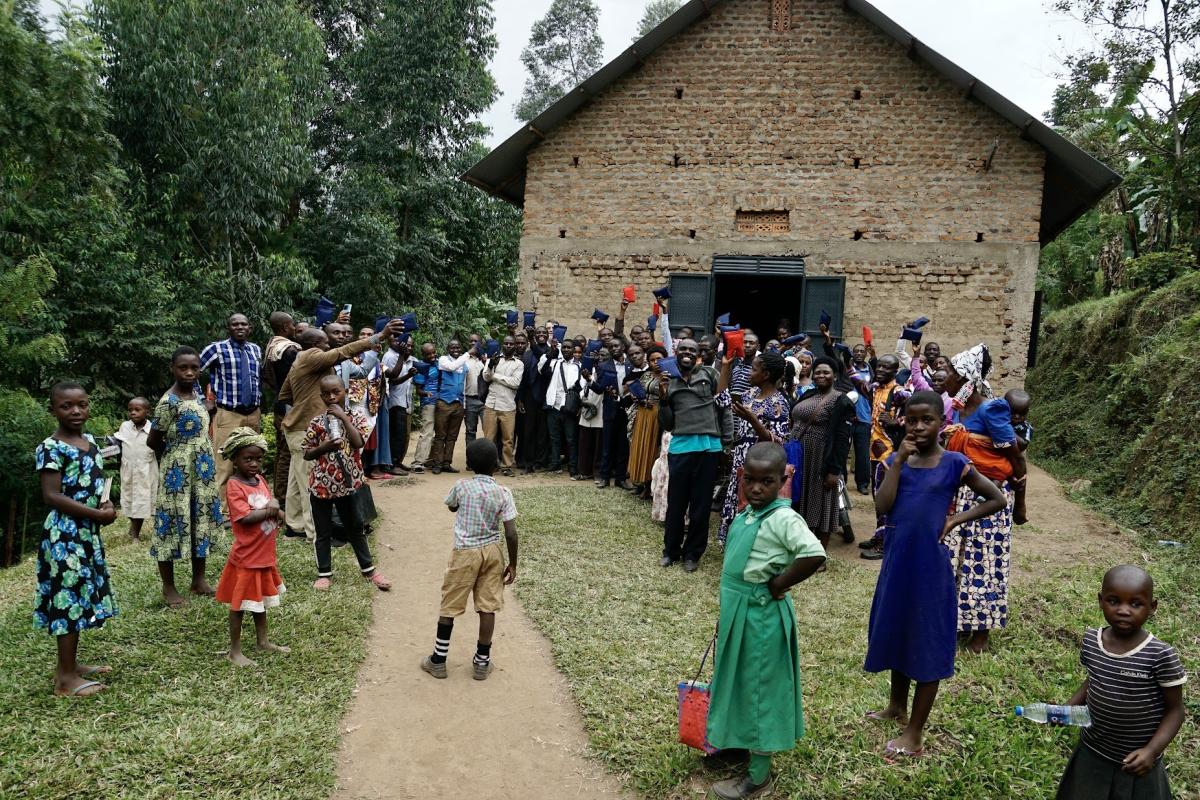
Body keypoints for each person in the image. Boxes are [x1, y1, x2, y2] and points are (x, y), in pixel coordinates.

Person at [863, 391, 1005, 759]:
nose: (919, 427)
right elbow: (882, 506)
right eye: (912, 420)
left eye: (927, 420)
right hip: (898, 562)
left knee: (926, 638)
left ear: (942, 422)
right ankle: (896, 706)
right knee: (897, 629)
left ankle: (915, 732)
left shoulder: (955, 463)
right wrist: (896, 463)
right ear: (903, 422)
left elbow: (996, 499)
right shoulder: (896, 460)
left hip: (930, 566)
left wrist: (956, 519)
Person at [706, 442, 826, 800]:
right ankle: (736, 743)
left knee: (759, 689)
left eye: (767, 482)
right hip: (738, 612)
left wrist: (779, 583)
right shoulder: (748, 514)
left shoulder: (783, 518)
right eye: (750, 480)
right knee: (737, 679)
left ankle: (758, 777)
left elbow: (814, 554)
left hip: (761, 618)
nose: (757, 488)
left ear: (782, 480)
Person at [1055, 565, 1186, 800]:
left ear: (1152, 607)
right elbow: (1093, 679)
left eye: (1135, 604)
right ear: (1100, 601)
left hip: (1137, 760)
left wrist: (1151, 751)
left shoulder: (1160, 655)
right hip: (1092, 751)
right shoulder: (1092, 641)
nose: (1123, 611)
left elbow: (1175, 710)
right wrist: (1069, 707)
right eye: (1114, 601)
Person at [277, 320, 405, 539]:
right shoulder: (311, 356)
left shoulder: (300, 362)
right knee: (309, 482)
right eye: (325, 342)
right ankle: (315, 533)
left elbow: (284, 395)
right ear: (313, 344)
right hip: (304, 429)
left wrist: (304, 403)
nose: (329, 346)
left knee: (296, 481)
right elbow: (343, 352)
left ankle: (295, 524)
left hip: (296, 428)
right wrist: (380, 336)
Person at [940, 344, 1028, 654]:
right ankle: (955, 623)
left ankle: (980, 634)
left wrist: (1021, 501)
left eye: (949, 371)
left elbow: (1016, 457)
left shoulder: (991, 409)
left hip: (988, 497)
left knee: (984, 562)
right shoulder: (957, 408)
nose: (943, 375)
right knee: (955, 560)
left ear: (965, 377)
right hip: (959, 493)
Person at [35, 383, 119, 697]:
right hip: (64, 535)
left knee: (80, 596)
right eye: (66, 406)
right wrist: (95, 516)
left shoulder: (92, 445)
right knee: (67, 600)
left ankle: (69, 665)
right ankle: (66, 680)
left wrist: (106, 506)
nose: (75, 412)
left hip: (86, 534)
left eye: (81, 405)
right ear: (53, 409)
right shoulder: (50, 447)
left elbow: (94, 487)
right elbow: (51, 495)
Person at [421, 439, 519, 681]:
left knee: (450, 603)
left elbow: (452, 507)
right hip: (493, 552)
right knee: (488, 606)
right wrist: (513, 564)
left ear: (469, 464)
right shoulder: (503, 492)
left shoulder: (462, 486)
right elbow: (511, 532)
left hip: (465, 552)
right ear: (496, 465)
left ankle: (438, 660)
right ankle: (482, 662)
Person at [147, 347, 224, 608]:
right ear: (173, 369)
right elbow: (153, 440)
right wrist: (177, 457)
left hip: (202, 470)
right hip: (177, 473)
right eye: (183, 367)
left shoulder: (197, 394)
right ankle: (169, 587)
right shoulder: (168, 402)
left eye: (194, 367)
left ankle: (198, 579)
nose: (189, 372)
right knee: (171, 521)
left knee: (198, 518)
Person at [302, 375, 392, 592]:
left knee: (355, 529)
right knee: (323, 532)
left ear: (345, 392)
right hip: (322, 485)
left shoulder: (356, 417)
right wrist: (323, 448)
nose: (332, 397)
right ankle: (324, 573)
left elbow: (358, 442)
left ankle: (369, 570)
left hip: (348, 485)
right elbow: (306, 453)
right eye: (326, 393)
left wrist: (344, 418)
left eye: (336, 392)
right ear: (321, 396)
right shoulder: (316, 422)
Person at [214, 428, 289, 668]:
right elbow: (244, 517)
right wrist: (272, 509)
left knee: (260, 601)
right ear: (235, 459)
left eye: (258, 458)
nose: (254, 463)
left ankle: (262, 641)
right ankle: (234, 651)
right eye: (248, 459)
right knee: (239, 605)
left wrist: (277, 510)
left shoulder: (260, 481)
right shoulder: (235, 486)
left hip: (265, 555)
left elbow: (271, 501)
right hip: (247, 556)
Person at [659, 338, 732, 572]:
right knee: (676, 505)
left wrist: (727, 443)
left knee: (700, 507)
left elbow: (724, 404)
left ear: (698, 354)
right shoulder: (668, 381)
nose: (688, 353)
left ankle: (692, 554)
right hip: (680, 449)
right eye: (684, 350)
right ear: (676, 353)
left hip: (708, 449)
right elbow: (668, 424)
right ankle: (671, 551)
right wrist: (663, 398)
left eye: (693, 350)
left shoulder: (709, 375)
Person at [717, 352, 791, 545]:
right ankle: (734, 542)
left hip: (760, 462)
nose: (750, 373)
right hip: (741, 457)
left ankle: (753, 545)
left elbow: (777, 440)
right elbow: (722, 401)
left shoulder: (779, 402)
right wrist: (725, 367)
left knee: (753, 501)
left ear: (765, 374)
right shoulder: (749, 394)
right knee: (737, 499)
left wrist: (752, 420)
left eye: (754, 369)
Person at [789, 357, 855, 550]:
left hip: (820, 457)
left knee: (822, 503)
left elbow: (843, 440)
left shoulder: (840, 401)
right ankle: (799, 548)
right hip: (800, 455)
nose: (821, 375)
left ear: (834, 376)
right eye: (817, 372)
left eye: (826, 372)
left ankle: (819, 553)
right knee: (800, 500)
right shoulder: (808, 394)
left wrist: (834, 470)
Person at [199, 313, 263, 489]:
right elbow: (191, 370)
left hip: (253, 414)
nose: (240, 327)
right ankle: (223, 512)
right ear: (229, 328)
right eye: (235, 324)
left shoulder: (255, 350)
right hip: (228, 414)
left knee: (252, 462)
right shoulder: (216, 349)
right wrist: (202, 399)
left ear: (249, 328)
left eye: (244, 324)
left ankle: (249, 505)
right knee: (224, 462)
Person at [262, 311, 300, 509]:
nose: (295, 329)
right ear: (286, 327)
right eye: (293, 325)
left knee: (281, 452)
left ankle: (280, 494)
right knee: (287, 453)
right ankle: (284, 499)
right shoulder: (289, 351)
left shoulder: (272, 346)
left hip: (279, 405)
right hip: (289, 407)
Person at [113, 396, 157, 541]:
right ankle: (133, 529)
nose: (133, 413)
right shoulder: (125, 426)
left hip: (146, 469)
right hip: (128, 469)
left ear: (147, 412)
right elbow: (120, 443)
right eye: (130, 410)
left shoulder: (153, 429)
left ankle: (135, 535)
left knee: (142, 500)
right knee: (130, 498)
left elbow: (160, 447)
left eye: (137, 410)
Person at [628, 345, 668, 497]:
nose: (655, 362)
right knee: (641, 446)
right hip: (643, 413)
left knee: (654, 448)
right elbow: (639, 391)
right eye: (652, 360)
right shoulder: (646, 375)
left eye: (659, 359)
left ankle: (651, 485)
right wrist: (636, 397)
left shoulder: (670, 376)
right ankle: (641, 482)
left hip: (659, 415)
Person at [482, 335, 524, 477]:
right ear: (502, 345)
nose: (508, 346)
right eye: (505, 343)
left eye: (511, 344)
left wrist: (496, 376)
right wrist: (491, 366)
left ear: (514, 346)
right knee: (489, 438)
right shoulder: (492, 360)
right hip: (491, 404)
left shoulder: (519, 364)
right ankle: (489, 465)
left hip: (508, 406)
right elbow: (486, 377)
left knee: (508, 439)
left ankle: (507, 466)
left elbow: (515, 383)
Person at [428, 339, 472, 474]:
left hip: (458, 404)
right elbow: (452, 367)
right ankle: (437, 463)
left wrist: (463, 406)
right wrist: (468, 353)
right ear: (448, 349)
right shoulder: (443, 360)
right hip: (444, 402)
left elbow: (464, 384)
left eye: (458, 347)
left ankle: (447, 462)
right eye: (452, 348)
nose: (455, 350)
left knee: (452, 436)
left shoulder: (465, 364)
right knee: (440, 435)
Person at [593, 338, 632, 489]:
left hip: (627, 409)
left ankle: (621, 478)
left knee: (623, 446)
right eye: (611, 347)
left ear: (623, 347)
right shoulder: (603, 366)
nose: (614, 348)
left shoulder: (631, 365)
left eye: (616, 346)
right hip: (610, 409)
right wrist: (590, 381)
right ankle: (604, 477)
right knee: (607, 445)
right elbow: (599, 389)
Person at [541, 335, 581, 475]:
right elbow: (541, 369)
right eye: (564, 347)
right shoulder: (555, 363)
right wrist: (550, 353)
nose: (566, 350)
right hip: (553, 405)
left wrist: (579, 406)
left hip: (569, 407)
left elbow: (581, 387)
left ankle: (573, 466)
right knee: (554, 437)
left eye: (569, 347)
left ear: (574, 350)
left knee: (571, 439)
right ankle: (555, 463)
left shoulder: (579, 366)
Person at [382, 335, 419, 475]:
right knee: (396, 434)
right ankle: (391, 464)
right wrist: (408, 375)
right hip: (394, 400)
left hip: (402, 400)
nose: (406, 347)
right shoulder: (391, 356)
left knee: (400, 434)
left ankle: (396, 462)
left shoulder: (400, 356)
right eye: (396, 341)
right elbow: (393, 379)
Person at [574, 347, 606, 482]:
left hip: (600, 409)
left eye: (602, 355)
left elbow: (600, 389)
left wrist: (589, 380)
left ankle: (597, 473)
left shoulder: (606, 371)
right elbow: (580, 387)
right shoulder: (586, 370)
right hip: (586, 408)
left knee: (599, 444)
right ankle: (584, 471)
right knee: (584, 442)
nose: (598, 357)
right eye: (594, 355)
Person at [409, 342, 439, 474]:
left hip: (441, 402)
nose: (432, 355)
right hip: (428, 403)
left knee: (439, 432)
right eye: (428, 354)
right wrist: (426, 393)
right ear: (423, 355)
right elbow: (418, 390)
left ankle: (431, 459)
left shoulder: (439, 363)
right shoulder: (421, 367)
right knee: (427, 432)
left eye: (433, 352)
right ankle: (417, 463)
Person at [463, 336, 487, 445]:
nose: (473, 343)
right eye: (471, 341)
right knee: (470, 431)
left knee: (489, 431)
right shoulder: (464, 360)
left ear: (480, 343)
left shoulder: (487, 359)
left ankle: (490, 458)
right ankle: (470, 457)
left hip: (485, 401)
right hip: (470, 400)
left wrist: (486, 362)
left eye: (475, 341)